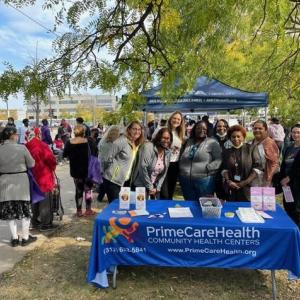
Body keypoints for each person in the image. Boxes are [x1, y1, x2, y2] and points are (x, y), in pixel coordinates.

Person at [0, 126, 37, 247]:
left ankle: (15, 238)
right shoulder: (22, 148)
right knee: (25, 212)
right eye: (16, 134)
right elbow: (32, 164)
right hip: (21, 182)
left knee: (10, 213)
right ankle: (25, 237)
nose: (17, 136)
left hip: (5, 183)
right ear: (13, 136)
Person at [101, 121, 144, 203]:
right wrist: (108, 172)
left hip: (125, 180)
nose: (137, 131)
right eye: (134, 129)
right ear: (128, 129)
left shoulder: (136, 143)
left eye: (139, 129)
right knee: (115, 206)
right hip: (113, 180)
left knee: (123, 205)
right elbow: (107, 158)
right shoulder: (122, 141)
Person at [179, 120, 222, 200]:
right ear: (194, 129)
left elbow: (219, 159)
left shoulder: (212, 142)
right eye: (198, 128)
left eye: (204, 129)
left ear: (207, 130)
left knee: (205, 204)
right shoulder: (189, 141)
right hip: (186, 180)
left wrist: (208, 168)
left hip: (204, 180)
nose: (201, 130)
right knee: (189, 203)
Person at [26, 128, 57, 231]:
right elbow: (51, 160)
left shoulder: (27, 146)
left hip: (32, 176)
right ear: (38, 135)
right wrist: (52, 168)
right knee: (45, 200)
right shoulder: (43, 145)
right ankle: (46, 223)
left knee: (34, 198)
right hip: (44, 175)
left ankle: (34, 221)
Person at [63, 125, 98, 217]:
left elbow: (64, 155)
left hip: (75, 171)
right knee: (88, 190)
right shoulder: (90, 141)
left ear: (74, 132)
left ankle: (79, 211)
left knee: (78, 190)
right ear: (84, 132)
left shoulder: (68, 142)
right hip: (88, 171)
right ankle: (88, 209)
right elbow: (96, 153)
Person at [221, 125, 261, 202]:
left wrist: (245, 182)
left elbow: (257, 167)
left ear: (243, 137)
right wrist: (229, 181)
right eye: (233, 137)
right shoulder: (226, 151)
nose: (236, 139)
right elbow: (224, 168)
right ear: (230, 138)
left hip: (247, 187)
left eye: (238, 136)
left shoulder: (251, 148)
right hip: (231, 188)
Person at [132, 128, 172, 199]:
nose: (166, 140)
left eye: (168, 138)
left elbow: (164, 173)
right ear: (158, 137)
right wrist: (150, 187)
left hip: (154, 188)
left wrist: (158, 188)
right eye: (163, 138)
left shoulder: (168, 152)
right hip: (141, 185)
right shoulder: (148, 147)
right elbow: (142, 168)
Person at [160, 111, 186, 200]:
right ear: (170, 119)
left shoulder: (180, 133)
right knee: (163, 192)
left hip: (174, 164)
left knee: (171, 190)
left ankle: (167, 210)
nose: (176, 120)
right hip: (163, 163)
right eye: (174, 118)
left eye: (179, 119)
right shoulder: (162, 129)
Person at [280, 124, 300, 225]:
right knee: (288, 206)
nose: (295, 135)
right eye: (294, 132)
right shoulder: (289, 147)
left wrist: (289, 177)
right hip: (286, 185)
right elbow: (284, 164)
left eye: (298, 133)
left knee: (297, 210)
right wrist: (283, 178)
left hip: (297, 184)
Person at [251, 120, 280, 187]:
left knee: (264, 197)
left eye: (260, 128)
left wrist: (268, 179)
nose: (257, 130)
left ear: (266, 130)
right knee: (255, 197)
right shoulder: (251, 142)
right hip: (253, 178)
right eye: (255, 128)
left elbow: (274, 163)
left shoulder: (269, 143)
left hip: (266, 179)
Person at [97, 125, 120, 202]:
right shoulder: (114, 143)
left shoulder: (103, 142)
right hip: (112, 171)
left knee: (104, 185)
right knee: (113, 195)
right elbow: (108, 160)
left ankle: (100, 197)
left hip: (103, 168)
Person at [213, 119, 230, 200]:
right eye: (219, 126)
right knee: (218, 192)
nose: (221, 128)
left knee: (228, 194)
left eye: (224, 126)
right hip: (215, 170)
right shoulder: (211, 138)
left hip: (228, 170)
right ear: (216, 127)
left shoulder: (231, 138)